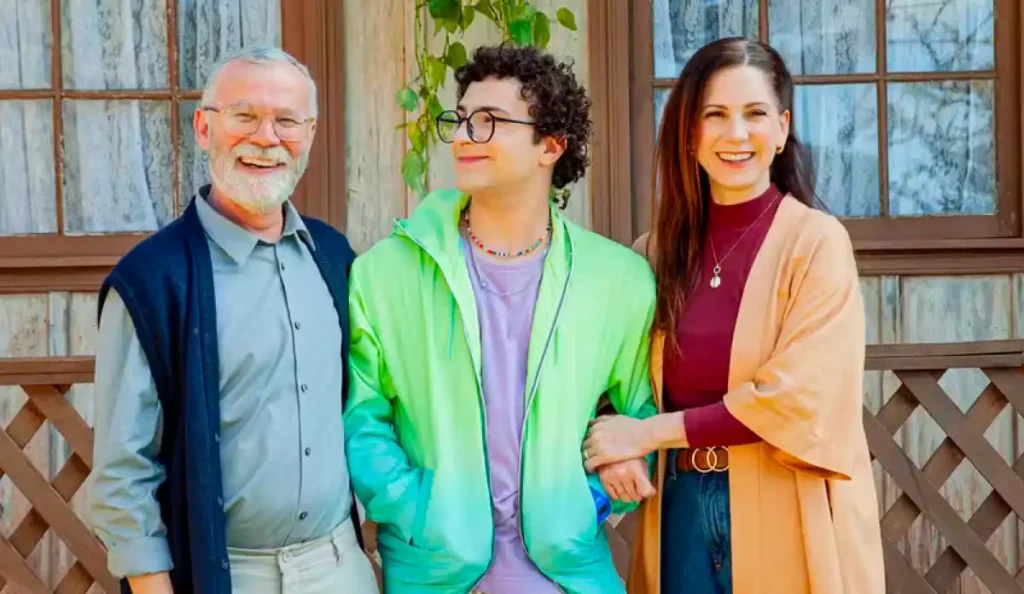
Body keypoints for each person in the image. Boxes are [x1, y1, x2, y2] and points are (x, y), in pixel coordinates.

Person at [343, 44, 657, 594]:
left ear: (551, 145)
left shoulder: (620, 280)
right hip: (433, 573)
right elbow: (362, 420)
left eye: (489, 122)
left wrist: (597, 492)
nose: (464, 136)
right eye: (461, 119)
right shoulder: (383, 273)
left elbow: (642, 413)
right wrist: (418, 511)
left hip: (570, 576)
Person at [581, 38, 885, 594]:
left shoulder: (815, 244)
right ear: (689, 132)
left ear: (783, 126)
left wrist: (647, 433)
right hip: (680, 510)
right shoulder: (653, 254)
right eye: (714, 114)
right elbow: (605, 380)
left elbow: (798, 397)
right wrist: (612, 451)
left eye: (755, 114)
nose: (736, 134)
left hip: (784, 505)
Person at [87, 47, 378, 594]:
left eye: (286, 120)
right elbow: (123, 477)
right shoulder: (152, 281)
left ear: (310, 135)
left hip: (340, 566)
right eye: (244, 116)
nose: (266, 138)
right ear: (204, 127)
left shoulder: (335, 257)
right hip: (225, 575)